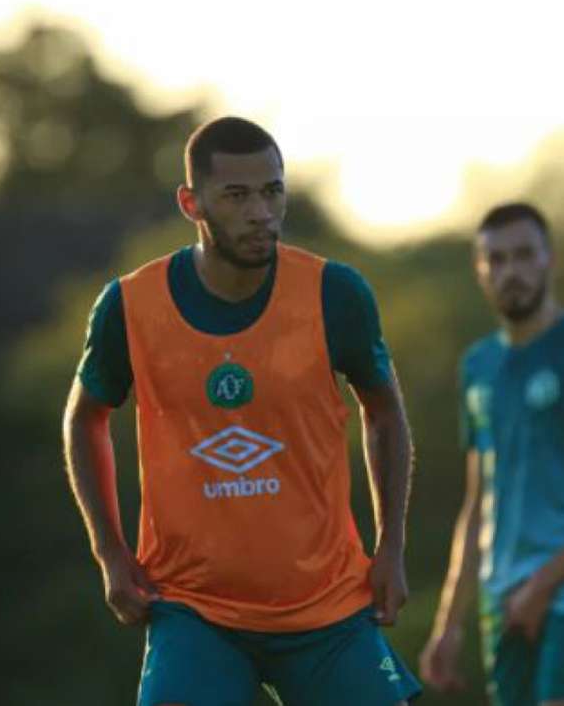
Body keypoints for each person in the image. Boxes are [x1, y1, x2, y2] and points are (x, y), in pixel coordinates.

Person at [63, 116, 421, 705]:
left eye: (272, 191)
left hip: (325, 606)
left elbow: (383, 411)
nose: (261, 212)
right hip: (193, 610)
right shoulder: (130, 305)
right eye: (237, 195)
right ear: (191, 203)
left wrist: (391, 548)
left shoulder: (336, 293)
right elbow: (85, 418)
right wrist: (111, 553)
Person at [419, 202, 564, 706]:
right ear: (480, 271)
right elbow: (478, 501)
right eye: (498, 259)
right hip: (502, 603)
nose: (513, 271)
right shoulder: (479, 366)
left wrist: (544, 585)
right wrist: (449, 623)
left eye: (525, 255)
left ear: (549, 259)